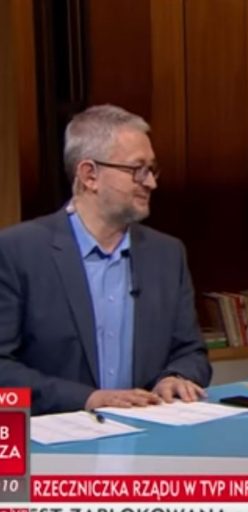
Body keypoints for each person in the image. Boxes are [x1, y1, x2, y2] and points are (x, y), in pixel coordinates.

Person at [0, 104, 212, 415]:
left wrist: (177, 376)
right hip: (55, 435)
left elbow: (191, 351)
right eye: (137, 169)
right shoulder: (17, 251)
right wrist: (88, 399)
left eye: (152, 169)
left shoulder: (167, 254)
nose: (151, 182)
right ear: (90, 175)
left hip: (149, 434)